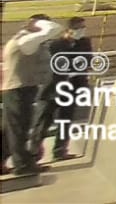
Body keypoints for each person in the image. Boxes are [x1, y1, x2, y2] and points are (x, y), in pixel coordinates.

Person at [1, 14, 62, 177]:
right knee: (19, 129)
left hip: (18, 88)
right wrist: (40, 24)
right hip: (18, 89)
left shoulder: (23, 39)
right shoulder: (27, 41)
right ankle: (23, 164)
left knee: (10, 130)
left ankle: (5, 161)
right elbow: (55, 29)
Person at [33, 17, 92, 163]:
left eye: (83, 28)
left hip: (72, 88)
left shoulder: (84, 43)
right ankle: (33, 154)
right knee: (42, 123)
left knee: (65, 121)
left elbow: (86, 61)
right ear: (67, 30)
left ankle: (60, 151)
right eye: (79, 28)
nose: (82, 31)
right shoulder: (54, 45)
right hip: (52, 90)